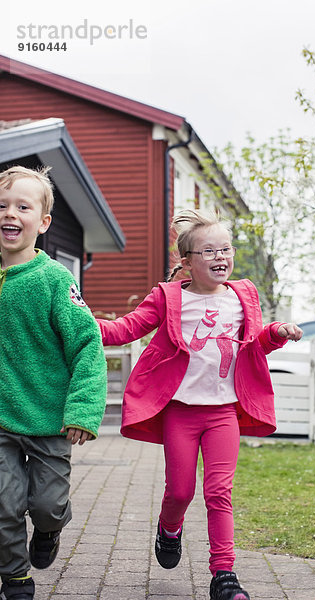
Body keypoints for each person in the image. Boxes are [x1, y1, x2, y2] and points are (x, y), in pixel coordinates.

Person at [97, 208, 302, 600]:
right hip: (181, 410)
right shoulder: (169, 296)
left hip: (224, 410)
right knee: (179, 491)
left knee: (219, 491)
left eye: (225, 248)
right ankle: (168, 528)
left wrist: (277, 333)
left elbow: (254, 342)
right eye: (208, 251)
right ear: (187, 261)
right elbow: (127, 328)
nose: (220, 257)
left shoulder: (244, 294)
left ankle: (224, 575)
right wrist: (82, 323)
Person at [0, 165, 107, 600]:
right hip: (2, 420)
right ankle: (15, 577)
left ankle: (49, 530)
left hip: (48, 421)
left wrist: (81, 410)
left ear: (43, 223)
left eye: (22, 206)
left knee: (46, 506)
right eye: (2, 205)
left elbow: (87, 345)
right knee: (3, 505)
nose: (10, 213)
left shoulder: (55, 280)